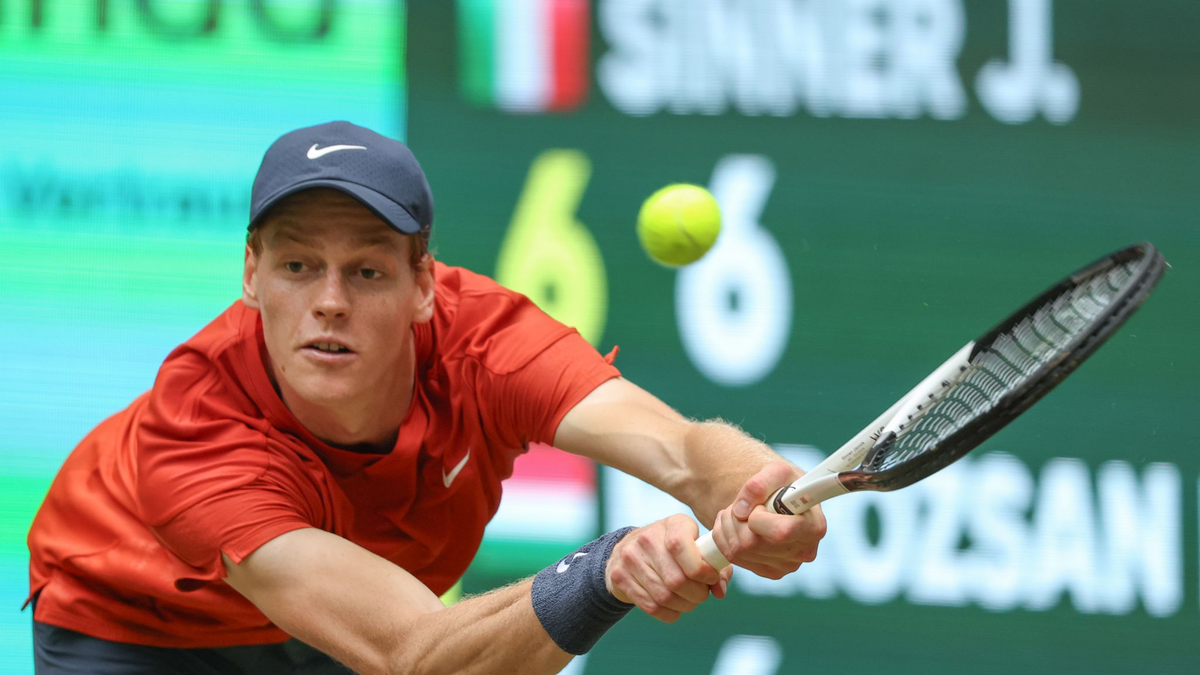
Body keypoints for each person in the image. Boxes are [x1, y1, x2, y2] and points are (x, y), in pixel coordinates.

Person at [26, 121, 826, 675]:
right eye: (298, 266)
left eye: (367, 270)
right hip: (134, 625)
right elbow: (411, 653)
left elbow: (682, 449)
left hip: (345, 624)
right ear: (250, 275)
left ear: (422, 285)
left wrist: (760, 489)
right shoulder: (199, 426)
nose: (329, 300)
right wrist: (603, 572)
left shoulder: (486, 341)